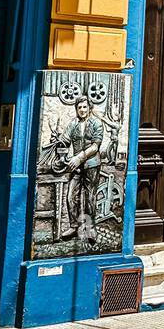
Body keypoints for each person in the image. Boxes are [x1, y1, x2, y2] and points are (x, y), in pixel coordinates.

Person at [63, 96, 106, 245]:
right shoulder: (73, 124)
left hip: (92, 164)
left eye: (84, 107)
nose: (82, 110)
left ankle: (91, 227)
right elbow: (65, 140)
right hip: (76, 166)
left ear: (89, 108)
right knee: (70, 196)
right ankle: (74, 226)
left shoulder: (96, 123)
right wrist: (59, 143)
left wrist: (79, 158)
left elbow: (95, 147)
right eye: (79, 107)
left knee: (90, 197)